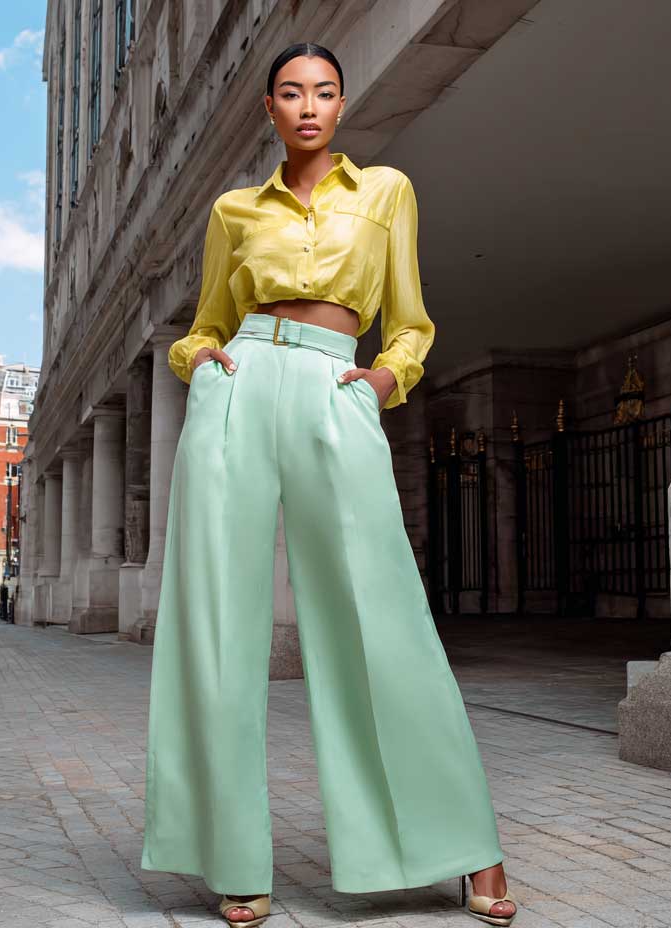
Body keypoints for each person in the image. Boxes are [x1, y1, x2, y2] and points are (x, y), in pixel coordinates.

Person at [138, 43, 515, 928]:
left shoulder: (385, 192)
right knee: (215, 620)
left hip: (336, 387)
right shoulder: (233, 210)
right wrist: (203, 365)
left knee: (382, 615)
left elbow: (410, 321)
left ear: (341, 107)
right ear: (268, 109)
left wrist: (385, 382)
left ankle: (469, 847)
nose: (308, 106)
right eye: (291, 94)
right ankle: (232, 854)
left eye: (325, 93)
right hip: (238, 391)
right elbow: (202, 326)